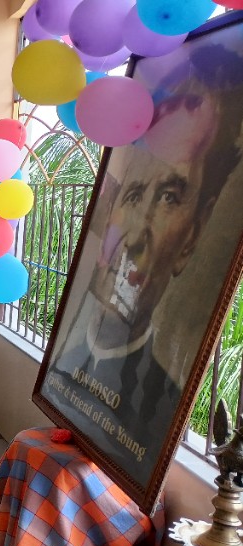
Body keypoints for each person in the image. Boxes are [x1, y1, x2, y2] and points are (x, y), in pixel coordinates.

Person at [41, 84, 242, 487]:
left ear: (192, 236)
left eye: (168, 197)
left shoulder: (159, 411)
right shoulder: (63, 370)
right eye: (133, 195)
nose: (134, 238)